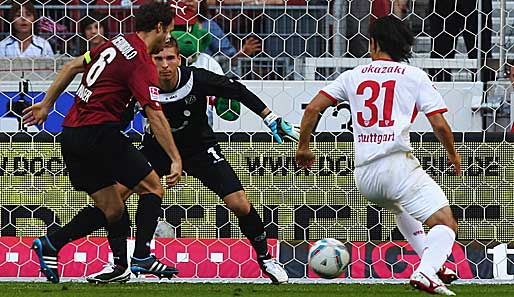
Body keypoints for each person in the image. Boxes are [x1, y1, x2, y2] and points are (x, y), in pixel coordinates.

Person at [85, 36, 296, 284]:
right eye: (158, 58)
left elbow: (237, 90)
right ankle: (119, 265)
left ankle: (266, 259)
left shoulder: (196, 79)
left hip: (199, 149)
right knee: (115, 198)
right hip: (156, 150)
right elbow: (118, 119)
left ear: (179, 59)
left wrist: (269, 117)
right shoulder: (139, 84)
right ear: (150, 60)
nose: (164, 64)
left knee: (239, 204)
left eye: (170, 58)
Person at [296, 16, 460, 295]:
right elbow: (439, 124)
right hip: (397, 166)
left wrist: (304, 147)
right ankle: (425, 272)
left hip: (364, 176)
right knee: (446, 223)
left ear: (373, 44)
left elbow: (312, 109)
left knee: (400, 207)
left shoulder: (352, 76)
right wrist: (453, 155)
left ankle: (433, 264)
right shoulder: (414, 76)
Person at [22, 2, 182, 283]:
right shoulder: (141, 62)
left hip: (71, 134)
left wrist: (46, 105)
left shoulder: (116, 43)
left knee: (114, 208)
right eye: (169, 30)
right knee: (153, 186)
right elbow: (155, 116)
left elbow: (72, 65)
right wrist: (175, 159)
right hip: (99, 132)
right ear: (159, 27)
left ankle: (56, 245)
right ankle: (143, 255)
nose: (169, 36)